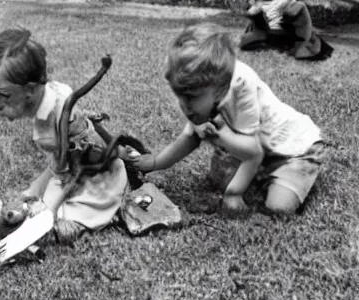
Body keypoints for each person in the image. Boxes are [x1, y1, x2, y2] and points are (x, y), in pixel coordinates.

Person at [122, 23, 328, 216]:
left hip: (292, 149)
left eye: (190, 97)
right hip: (253, 146)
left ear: (219, 89)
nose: (185, 106)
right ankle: (259, 175)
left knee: (279, 207)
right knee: (219, 178)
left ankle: (292, 173)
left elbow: (253, 153)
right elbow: (190, 138)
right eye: (179, 95)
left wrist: (234, 194)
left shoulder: (241, 87)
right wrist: (156, 162)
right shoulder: (204, 90)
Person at [0, 28, 128, 244]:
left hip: (94, 174)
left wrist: (46, 211)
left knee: (66, 214)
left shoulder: (51, 126)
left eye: (1, 95)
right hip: (69, 165)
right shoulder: (52, 95)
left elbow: (64, 177)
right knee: (32, 194)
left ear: (29, 90)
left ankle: (66, 223)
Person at [240, 0, 333, 60]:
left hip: (287, 35)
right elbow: (253, 19)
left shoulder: (287, 0)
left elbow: (295, 17)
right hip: (267, 35)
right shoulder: (258, 1)